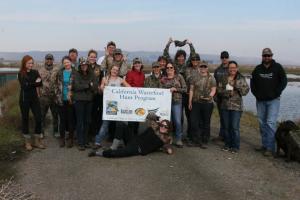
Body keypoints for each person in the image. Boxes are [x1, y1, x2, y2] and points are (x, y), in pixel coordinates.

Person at [250, 48, 287, 156]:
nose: (267, 57)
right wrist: (256, 94)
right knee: (262, 124)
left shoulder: (278, 67)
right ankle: (265, 145)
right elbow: (252, 84)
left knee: (270, 123)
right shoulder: (257, 69)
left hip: (273, 101)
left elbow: (284, 81)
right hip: (260, 101)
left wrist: (276, 93)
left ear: (271, 56)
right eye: (265, 56)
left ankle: (271, 149)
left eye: (268, 55)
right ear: (262, 56)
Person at [88, 113, 173, 158]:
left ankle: (98, 153)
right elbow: (149, 115)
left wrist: (167, 146)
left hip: (137, 149)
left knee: (117, 154)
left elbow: (169, 151)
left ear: (168, 129)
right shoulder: (155, 126)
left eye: (165, 126)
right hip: (134, 139)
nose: (163, 127)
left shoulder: (166, 139)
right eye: (162, 125)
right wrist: (159, 119)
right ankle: (114, 146)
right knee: (121, 124)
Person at [94, 65, 131, 148]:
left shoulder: (120, 80)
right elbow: (101, 90)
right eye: (113, 69)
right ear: (110, 70)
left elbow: (129, 88)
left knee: (121, 124)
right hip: (110, 104)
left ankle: (122, 141)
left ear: (118, 72)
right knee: (105, 124)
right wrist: (103, 86)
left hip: (119, 104)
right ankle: (97, 142)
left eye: (117, 70)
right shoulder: (105, 79)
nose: (115, 71)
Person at [217, 61, 249, 153]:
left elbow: (246, 91)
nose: (232, 69)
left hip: (236, 107)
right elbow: (219, 90)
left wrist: (237, 86)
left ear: (237, 68)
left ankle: (235, 146)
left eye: (234, 67)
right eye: (230, 67)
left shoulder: (241, 78)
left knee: (234, 127)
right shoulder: (223, 78)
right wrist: (227, 93)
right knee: (226, 127)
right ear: (228, 68)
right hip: (225, 106)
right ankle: (227, 144)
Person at [18, 55, 45, 151]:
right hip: (24, 99)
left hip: (34, 99)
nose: (31, 65)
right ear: (24, 63)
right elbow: (25, 86)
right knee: (25, 119)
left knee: (38, 118)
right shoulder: (21, 73)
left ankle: (36, 141)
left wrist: (30, 83)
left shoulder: (35, 72)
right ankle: (27, 142)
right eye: (29, 63)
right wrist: (34, 83)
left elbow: (40, 83)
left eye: (32, 63)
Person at [72, 57, 98, 150]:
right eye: (82, 65)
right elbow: (76, 86)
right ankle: (80, 142)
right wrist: (88, 85)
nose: (84, 66)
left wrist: (86, 86)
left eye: (85, 64)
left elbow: (95, 86)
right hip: (79, 101)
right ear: (80, 65)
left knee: (87, 121)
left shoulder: (92, 74)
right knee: (80, 122)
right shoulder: (75, 74)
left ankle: (86, 141)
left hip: (89, 101)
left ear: (88, 65)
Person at [188, 63, 216, 148]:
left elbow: (213, 89)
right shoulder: (194, 77)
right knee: (194, 122)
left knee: (205, 122)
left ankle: (204, 140)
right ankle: (195, 140)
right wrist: (190, 102)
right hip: (196, 102)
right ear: (199, 68)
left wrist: (210, 96)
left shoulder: (212, 78)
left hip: (207, 103)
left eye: (205, 67)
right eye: (201, 66)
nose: (203, 68)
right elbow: (191, 90)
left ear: (207, 68)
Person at [161, 62, 187, 147]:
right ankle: (169, 138)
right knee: (168, 122)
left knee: (177, 121)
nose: (169, 69)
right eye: (167, 68)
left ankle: (179, 139)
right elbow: (160, 90)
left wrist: (176, 89)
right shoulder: (163, 79)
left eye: (171, 67)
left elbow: (185, 89)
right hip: (166, 104)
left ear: (174, 69)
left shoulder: (179, 77)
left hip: (176, 102)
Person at [53, 56, 76, 148]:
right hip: (61, 100)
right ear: (63, 64)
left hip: (71, 100)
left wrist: (73, 90)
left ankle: (70, 139)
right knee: (62, 120)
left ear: (71, 62)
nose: (66, 64)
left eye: (68, 62)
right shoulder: (60, 73)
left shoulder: (75, 73)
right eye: (65, 62)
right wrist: (57, 95)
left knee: (70, 120)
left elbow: (78, 85)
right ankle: (62, 138)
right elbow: (55, 85)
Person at [38, 54, 59, 138]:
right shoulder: (40, 70)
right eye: (47, 59)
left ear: (53, 60)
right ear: (45, 60)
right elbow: (37, 83)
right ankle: (41, 132)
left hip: (54, 96)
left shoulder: (57, 69)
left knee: (55, 115)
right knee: (42, 115)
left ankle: (56, 131)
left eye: (50, 59)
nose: (49, 61)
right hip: (44, 96)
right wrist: (38, 94)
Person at [125, 57, 145, 135]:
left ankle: (135, 136)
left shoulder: (143, 74)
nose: (137, 64)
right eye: (135, 63)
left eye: (138, 63)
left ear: (141, 64)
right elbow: (128, 85)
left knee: (138, 118)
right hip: (132, 99)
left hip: (140, 100)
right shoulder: (129, 73)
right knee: (131, 119)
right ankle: (130, 137)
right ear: (133, 65)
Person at [87, 49, 103, 144]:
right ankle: (87, 134)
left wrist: (101, 86)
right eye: (91, 56)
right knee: (88, 115)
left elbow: (102, 79)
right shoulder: (84, 66)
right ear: (88, 57)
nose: (92, 58)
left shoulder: (99, 68)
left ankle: (94, 134)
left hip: (97, 94)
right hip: (87, 94)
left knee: (96, 115)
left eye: (94, 57)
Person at [184, 53, 201, 141]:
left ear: (199, 61)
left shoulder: (202, 69)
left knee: (198, 117)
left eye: (196, 60)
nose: (195, 61)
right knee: (190, 117)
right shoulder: (188, 69)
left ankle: (197, 135)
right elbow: (189, 79)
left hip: (199, 97)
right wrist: (200, 77)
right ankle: (189, 135)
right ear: (191, 61)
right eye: (193, 60)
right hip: (188, 96)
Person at [213, 51, 230, 142]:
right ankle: (221, 135)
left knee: (227, 117)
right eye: (222, 57)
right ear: (221, 58)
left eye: (226, 57)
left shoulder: (231, 69)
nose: (224, 59)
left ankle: (228, 136)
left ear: (228, 58)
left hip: (228, 98)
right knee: (222, 116)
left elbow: (233, 82)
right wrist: (214, 95)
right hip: (219, 97)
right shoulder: (217, 70)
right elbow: (214, 84)